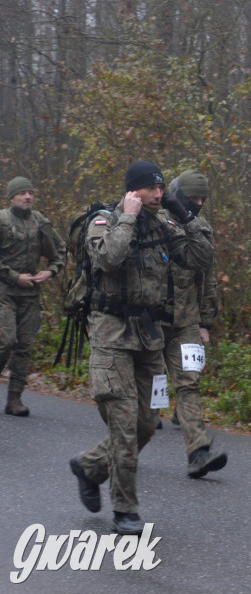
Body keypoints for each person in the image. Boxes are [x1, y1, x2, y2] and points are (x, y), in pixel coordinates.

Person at [68, 160, 214, 535]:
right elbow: (107, 258)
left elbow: (200, 259)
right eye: (151, 189)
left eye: (162, 188)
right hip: (111, 339)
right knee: (125, 428)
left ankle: (90, 467)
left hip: (149, 338)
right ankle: (125, 509)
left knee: (147, 424)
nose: (159, 194)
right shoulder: (105, 221)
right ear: (133, 191)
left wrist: (185, 217)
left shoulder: (164, 224)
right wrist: (129, 218)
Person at [163, 169, 225, 478]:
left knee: (190, 380)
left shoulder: (201, 229)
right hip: (150, 320)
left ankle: (198, 452)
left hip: (185, 321)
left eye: (203, 199)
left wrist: (206, 323)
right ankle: (120, 450)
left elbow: (207, 279)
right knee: (149, 390)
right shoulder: (154, 221)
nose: (198, 203)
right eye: (192, 198)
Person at [0, 177, 66, 416]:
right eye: (22, 193)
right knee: (5, 340)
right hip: (4, 292)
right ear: (11, 198)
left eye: (30, 192)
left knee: (25, 346)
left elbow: (60, 250)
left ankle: (14, 399)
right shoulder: (2, 220)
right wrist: (13, 276)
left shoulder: (41, 222)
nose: (28, 196)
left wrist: (51, 271)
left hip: (30, 295)